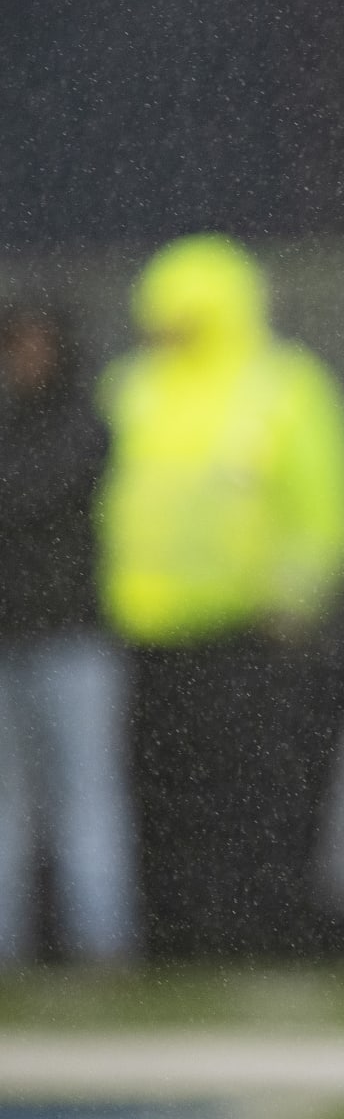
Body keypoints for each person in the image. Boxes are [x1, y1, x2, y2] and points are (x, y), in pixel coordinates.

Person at [96, 234, 344, 958]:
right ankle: (173, 935)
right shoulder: (132, 387)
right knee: (160, 796)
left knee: (251, 794)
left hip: (245, 632)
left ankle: (254, 933)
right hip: (142, 633)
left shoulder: (280, 385)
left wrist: (296, 600)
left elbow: (325, 505)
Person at [0, 299, 136, 965]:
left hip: (70, 636)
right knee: (10, 806)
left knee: (86, 799)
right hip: (11, 636)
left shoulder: (81, 423)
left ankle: (100, 948)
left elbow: (37, 493)